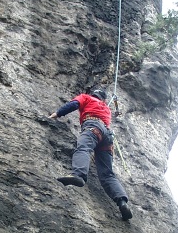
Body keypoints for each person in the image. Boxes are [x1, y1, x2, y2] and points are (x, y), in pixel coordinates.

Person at [49, 88, 132, 220]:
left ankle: (79, 175)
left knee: (83, 149)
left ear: (93, 94)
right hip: (107, 136)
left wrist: (57, 113)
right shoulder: (106, 108)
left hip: (93, 127)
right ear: (104, 99)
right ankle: (122, 201)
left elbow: (73, 105)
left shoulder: (86, 97)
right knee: (107, 174)